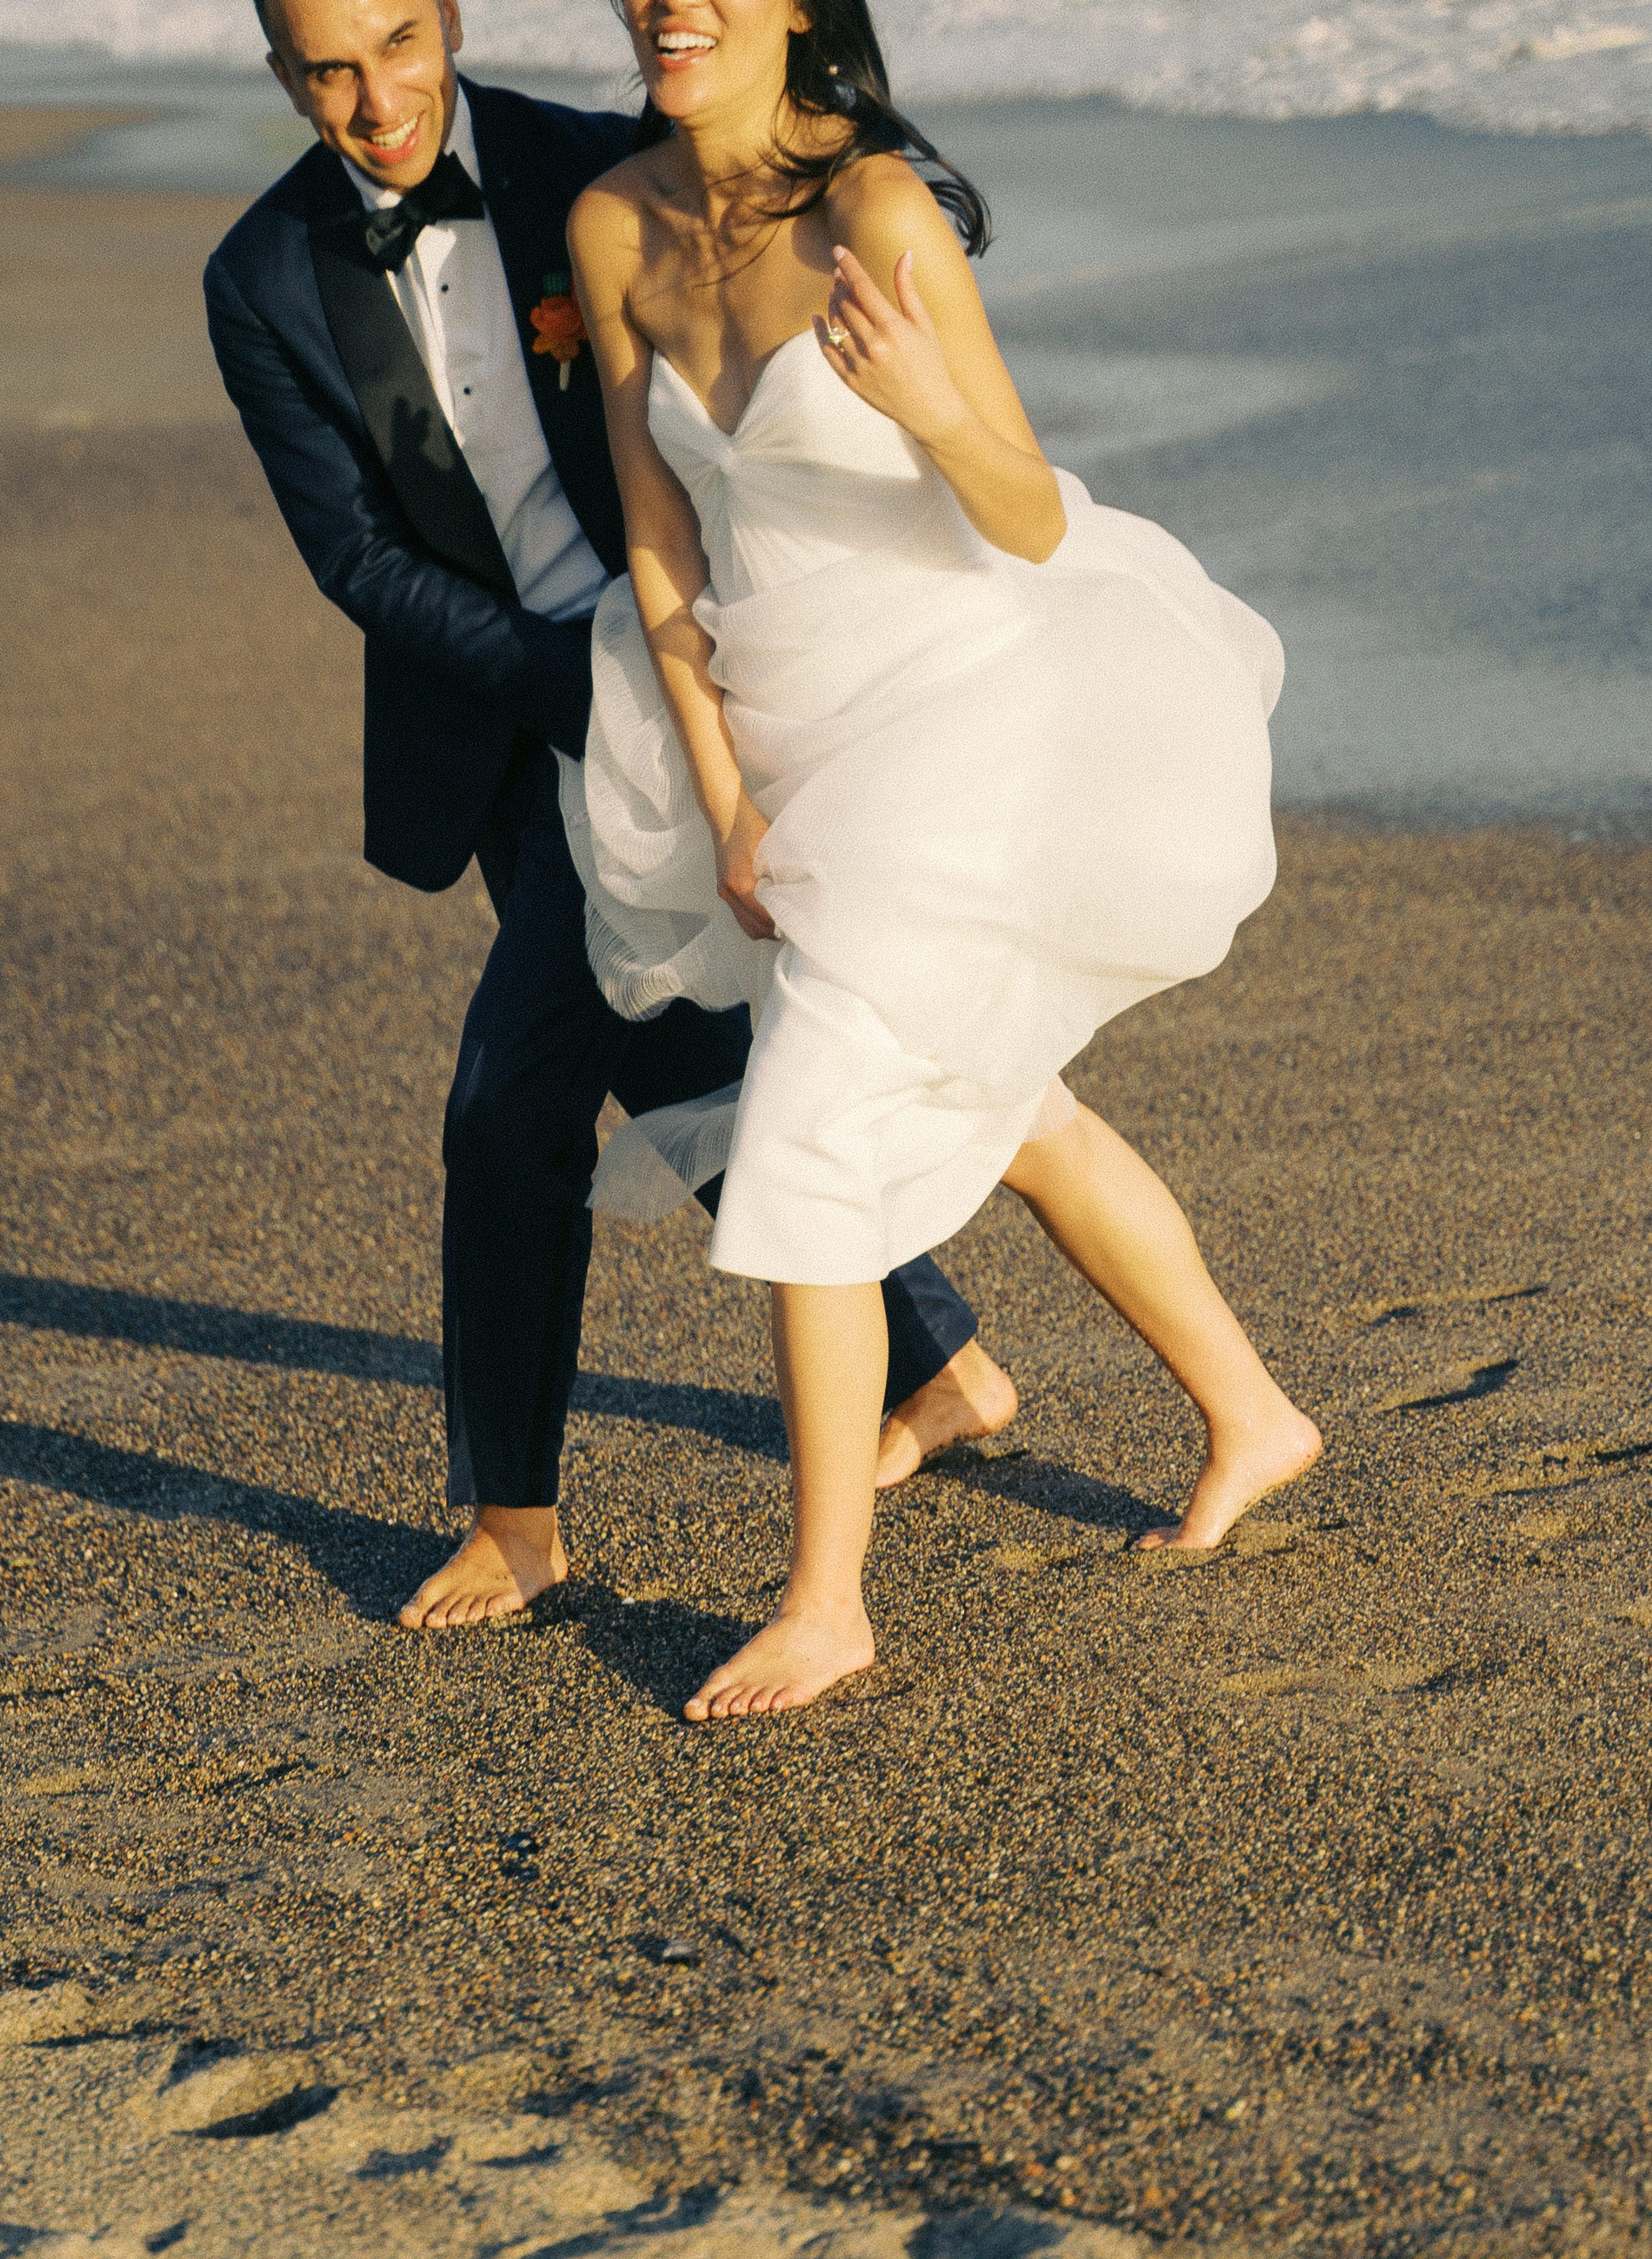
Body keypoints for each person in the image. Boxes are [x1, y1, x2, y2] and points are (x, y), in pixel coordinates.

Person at [203, 0, 1018, 1632]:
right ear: (282, 76)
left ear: (448, 16)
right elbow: (359, 562)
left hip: (718, 685)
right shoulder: (262, 276)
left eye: (402, 43)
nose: (378, 103)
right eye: (331, 71)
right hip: (530, 722)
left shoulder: (603, 175)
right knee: (660, 1045)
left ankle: (517, 1520)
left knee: (514, 1100)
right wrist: (590, 703)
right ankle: (945, 1370)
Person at [565, 0, 1322, 1719]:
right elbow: (656, 533)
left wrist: (924, 400)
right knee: (1019, 1112)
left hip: (958, 716)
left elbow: (1029, 518)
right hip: (788, 736)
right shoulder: (611, 222)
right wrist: (727, 798)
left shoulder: (877, 212)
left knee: (812, 1134)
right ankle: (1250, 1415)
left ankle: (824, 1600)